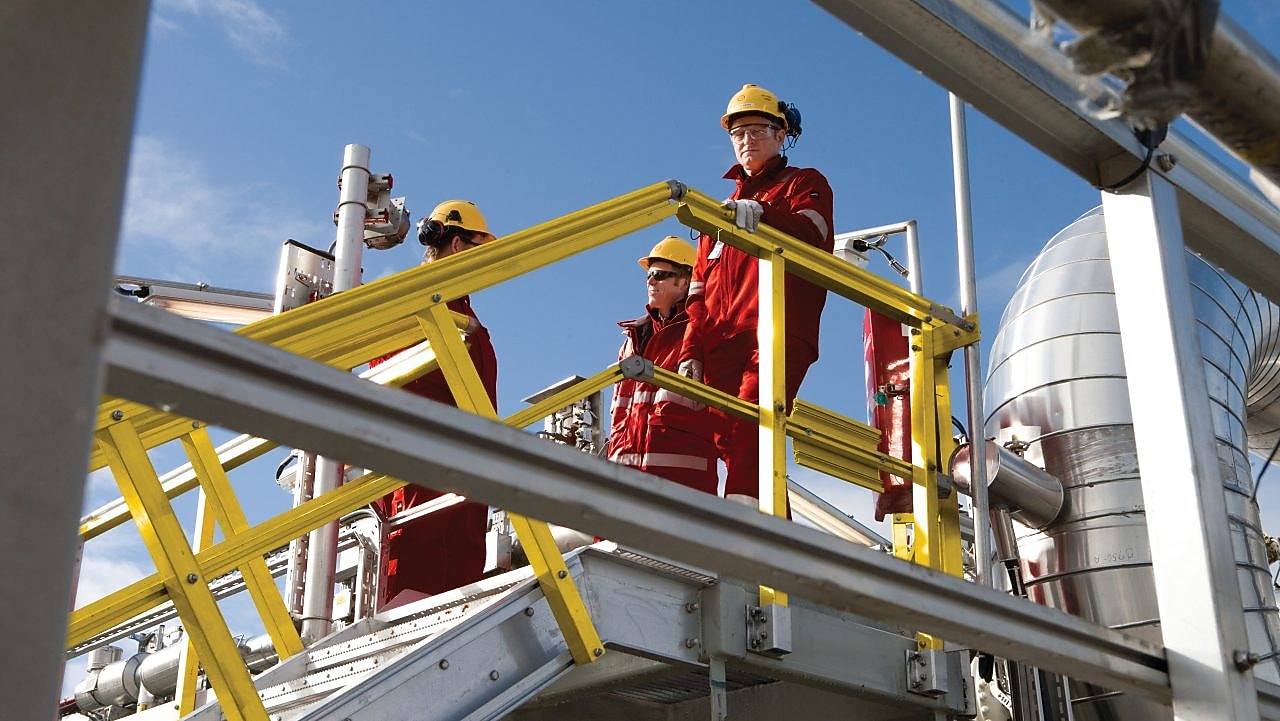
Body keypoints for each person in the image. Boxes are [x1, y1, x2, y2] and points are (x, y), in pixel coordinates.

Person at [678, 83, 836, 506]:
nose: (746, 140)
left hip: (778, 329)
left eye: (757, 130)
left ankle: (743, 536)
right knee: (728, 440)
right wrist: (691, 349)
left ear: (782, 135)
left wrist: (767, 216)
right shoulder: (720, 212)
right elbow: (698, 291)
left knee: (752, 425)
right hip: (719, 341)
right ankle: (777, 545)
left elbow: (813, 233)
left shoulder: (803, 183)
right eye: (738, 133)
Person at [370, 199, 498, 608]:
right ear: (458, 247)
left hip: (465, 475)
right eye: (482, 250)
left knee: (459, 584)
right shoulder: (412, 304)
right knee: (414, 576)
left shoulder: (465, 317)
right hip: (422, 470)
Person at [606, 236, 718, 494]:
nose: (650, 281)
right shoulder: (631, 341)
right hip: (623, 481)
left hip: (680, 484)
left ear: (686, 281)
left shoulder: (698, 333)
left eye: (659, 275)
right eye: (648, 275)